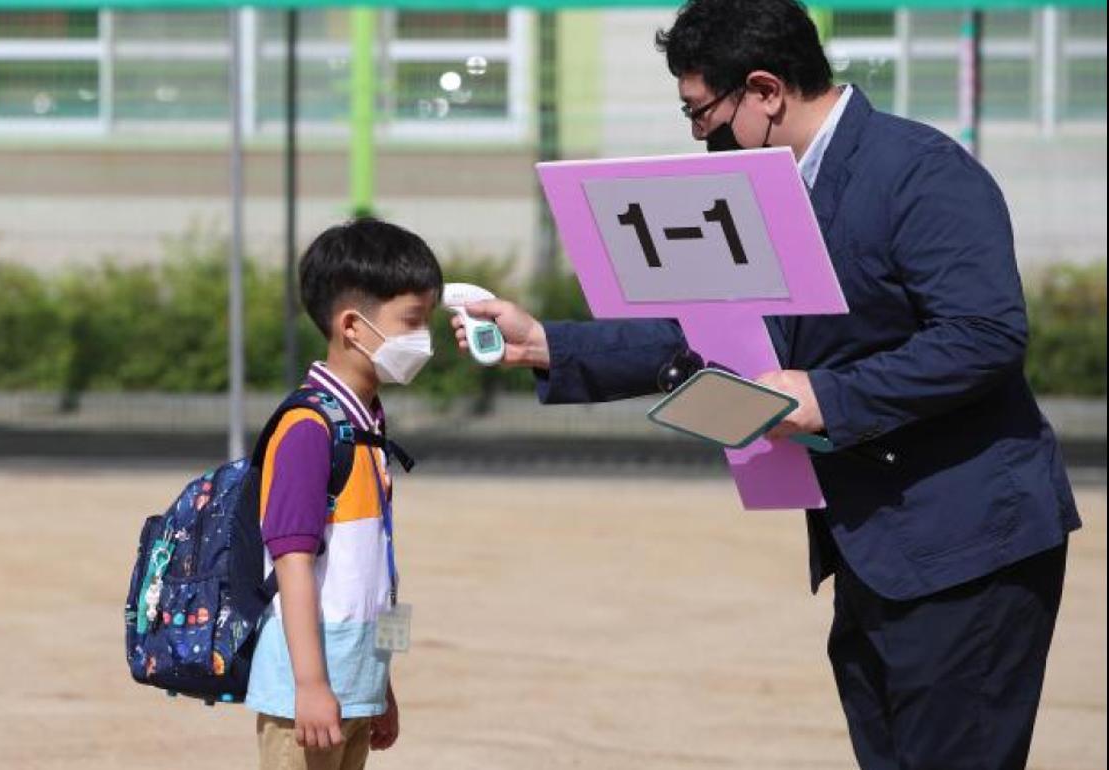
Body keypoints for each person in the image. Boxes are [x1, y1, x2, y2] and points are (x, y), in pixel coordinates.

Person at [453, 1, 1081, 767]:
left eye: (700, 111)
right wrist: (548, 344)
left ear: (765, 90)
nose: (698, 134)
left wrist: (828, 398)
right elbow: (702, 328)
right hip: (875, 547)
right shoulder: (769, 188)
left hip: (967, 545)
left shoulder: (919, 171)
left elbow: (984, 334)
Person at [247, 217, 443, 770]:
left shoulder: (365, 427)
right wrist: (310, 685)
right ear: (353, 326)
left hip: (355, 686)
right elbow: (292, 562)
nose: (423, 339)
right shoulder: (309, 429)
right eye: (412, 321)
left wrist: (381, 685)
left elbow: (372, 572)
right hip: (308, 697)